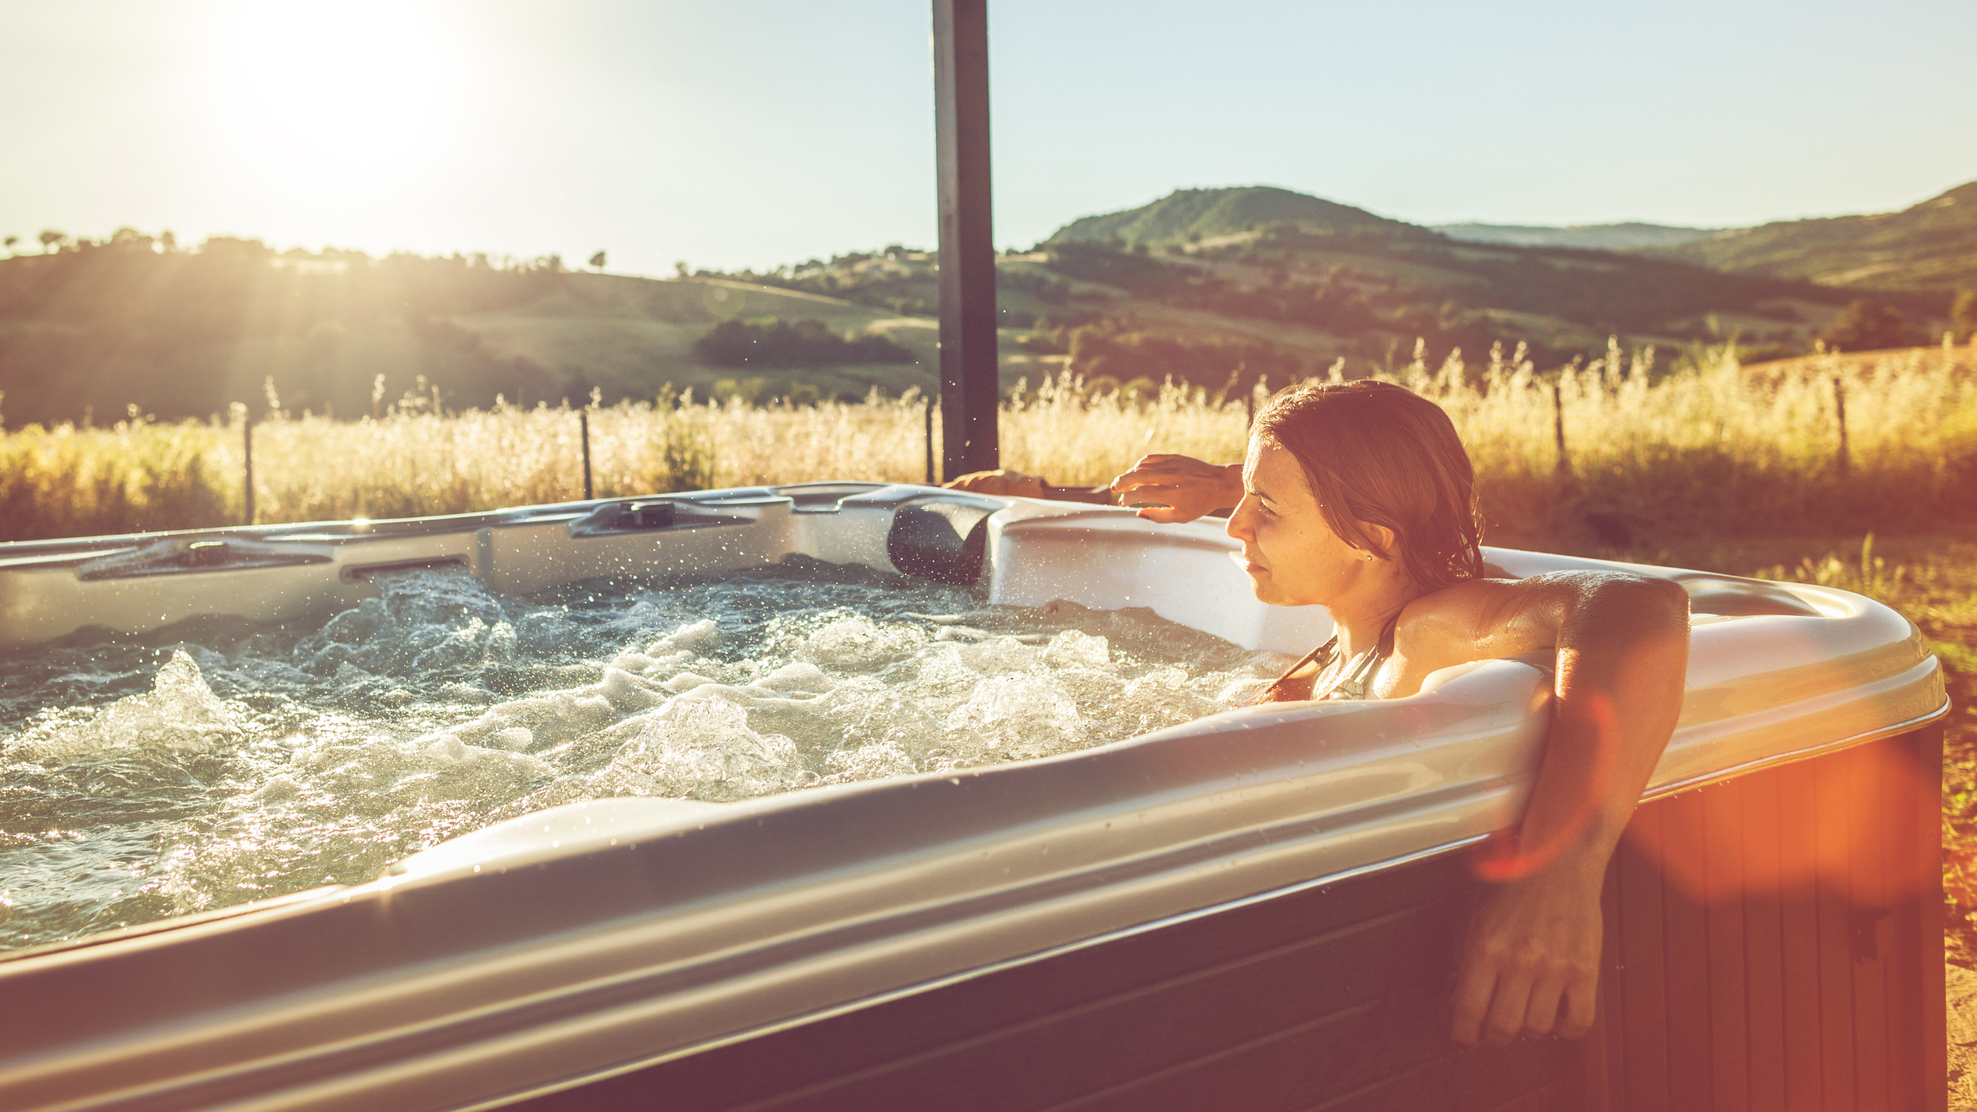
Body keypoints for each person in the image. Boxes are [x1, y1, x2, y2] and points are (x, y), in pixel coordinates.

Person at [947, 380, 1691, 1049]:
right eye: (1239, 497)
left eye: (1261, 508)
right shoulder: (1351, 623)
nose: (1234, 526)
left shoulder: (1424, 629)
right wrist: (1216, 486)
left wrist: (1559, 872)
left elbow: (1637, 605)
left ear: (1370, 536)